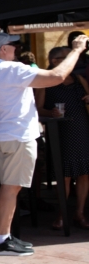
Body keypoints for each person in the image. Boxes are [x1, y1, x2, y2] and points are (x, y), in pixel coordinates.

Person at [0, 32, 89, 256]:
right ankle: (1, 240)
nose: (17, 49)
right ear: (3, 49)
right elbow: (57, 75)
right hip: (18, 136)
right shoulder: (12, 69)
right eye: (13, 45)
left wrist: (0, 118)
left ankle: (4, 236)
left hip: (1, 135)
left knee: (10, 186)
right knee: (11, 187)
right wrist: (77, 50)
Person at [35, 47, 89, 230]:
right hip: (61, 132)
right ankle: (62, 214)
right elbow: (38, 108)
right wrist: (50, 112)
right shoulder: (46, 82)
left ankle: (79, 213)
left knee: (84, 173)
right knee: (64, 175)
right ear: (54, 61)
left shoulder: (79, 79)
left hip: (82, 129)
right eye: (67, 57)